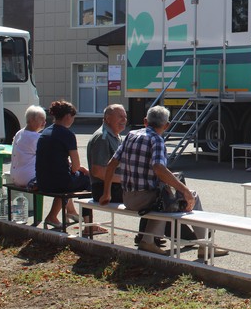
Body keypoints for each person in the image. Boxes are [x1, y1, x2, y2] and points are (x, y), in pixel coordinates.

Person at [100, 105, 228, 258]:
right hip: (146, 199)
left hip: (128, 198)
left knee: (165, 198)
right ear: (167, 125)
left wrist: (106, 193)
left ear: (145, 121)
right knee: (190, 196)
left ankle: (148, 240)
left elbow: (111, 165)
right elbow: (159, 168)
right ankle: (205, 245)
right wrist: (185, 190)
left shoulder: (131, 135)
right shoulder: (157, 140)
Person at [87, 104, 152, 243]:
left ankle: (149, 236)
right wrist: (127, 180)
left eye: (125, 117)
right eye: (120, 117)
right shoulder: (102, 137)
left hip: (115, 187)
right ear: (107, 118)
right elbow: (98, 171)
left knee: (157, 193)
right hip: (104, 189)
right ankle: (147, 238)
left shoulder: (115, 136)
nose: (124, 120)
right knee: (150, 196)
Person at [35, 100, 90, 230]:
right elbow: (75, 166)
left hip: (42, 181)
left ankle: (56, 215)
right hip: (60, 183)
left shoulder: (45, 133)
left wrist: (73, 168)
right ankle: (88, 225)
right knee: (88, 181)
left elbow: (53, 158)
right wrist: (80, 170)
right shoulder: (68, 135)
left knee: (66, 180)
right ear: (68, 116)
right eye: (73, 117)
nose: (73, 120)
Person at [10, 105, 47, 187]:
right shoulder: (35, 137)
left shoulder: (19, 133)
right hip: (29, 178)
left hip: (15, 176)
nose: (44, 122)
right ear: (31, 120)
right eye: (41, 119)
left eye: (45, 120)